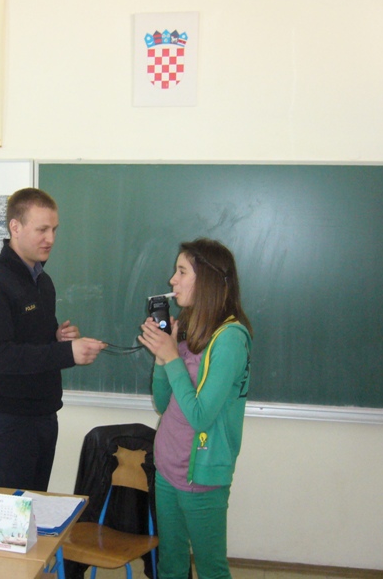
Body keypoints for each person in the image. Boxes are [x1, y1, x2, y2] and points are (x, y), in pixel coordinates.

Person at [0, 187, 106, 491]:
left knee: (32, 510)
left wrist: (57, 338)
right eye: (42, 229)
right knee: (6, 516)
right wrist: (66, 353)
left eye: (54, 230)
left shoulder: (43, 282)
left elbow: (29, 341)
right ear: (15, 227)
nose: (51, 239)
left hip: (42, 414)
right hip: (6, 422)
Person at [138, 238, 253, 579]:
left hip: (201, 475)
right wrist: (163, 358)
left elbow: (201, 415)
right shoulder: (191, 328)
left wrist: (172, 357)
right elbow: (164, 403)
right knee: (171, 565)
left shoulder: (230, 338)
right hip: (167, 468)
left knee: (211, 569)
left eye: (181, 271)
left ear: (208, 280)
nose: (172, 280)